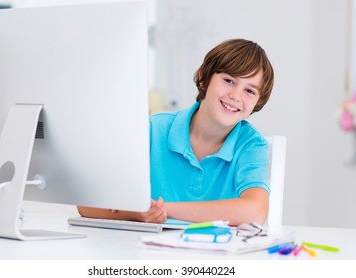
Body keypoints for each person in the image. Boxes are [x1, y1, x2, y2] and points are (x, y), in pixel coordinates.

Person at [78, 38, 274, 226]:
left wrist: (165, 209)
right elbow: (86, 203)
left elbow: (255, 212)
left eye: (250, 91)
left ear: (258, 101)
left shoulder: (251, 145)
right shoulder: (154, 130)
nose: (235, 96)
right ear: (203, 78)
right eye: (229, 81)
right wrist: (136, 212)